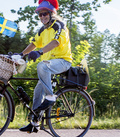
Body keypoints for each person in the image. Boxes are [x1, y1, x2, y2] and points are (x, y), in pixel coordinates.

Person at [18, 0, 72, 133]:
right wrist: (21, 54)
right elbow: (34, 43)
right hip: (50, 65)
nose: (42, 17)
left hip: (62, 61)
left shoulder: (59, 25)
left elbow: (56, 42)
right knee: (37, 92)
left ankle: (51, 96)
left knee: (41, 66)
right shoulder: (43, 30)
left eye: (45, 14)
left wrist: (40, 52)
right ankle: (34, 123)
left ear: (51, 13)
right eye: (40, 15)